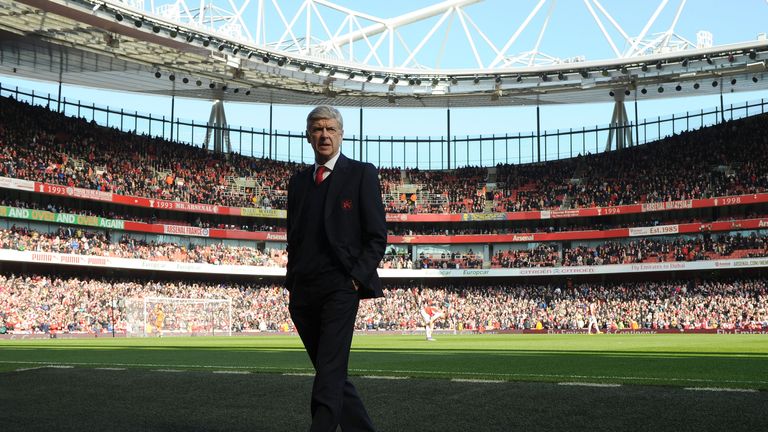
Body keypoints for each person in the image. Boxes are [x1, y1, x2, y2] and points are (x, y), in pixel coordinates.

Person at [285, 105, 387, 432]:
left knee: (328, 374)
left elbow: (377, 236)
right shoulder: (298, 183)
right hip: (303, 291)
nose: (324, 135)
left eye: (330, 129)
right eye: (317, 129)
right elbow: (294, 237)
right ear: (308, 136)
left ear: (341, 134)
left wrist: (355, 280)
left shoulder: (361, 174)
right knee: (332, 373)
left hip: (341, 287)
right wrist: (292, 283)